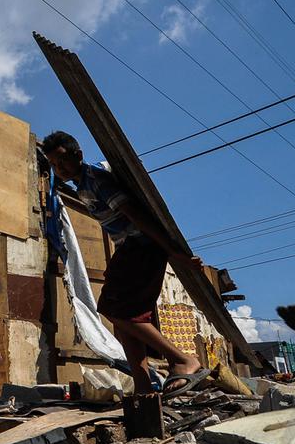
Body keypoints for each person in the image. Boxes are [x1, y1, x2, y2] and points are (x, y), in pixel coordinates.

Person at [42, 130, 208, 397]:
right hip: (129, 248)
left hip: (140, 245)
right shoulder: (81, 186)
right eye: (53, 164)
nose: (58, 168)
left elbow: (135, 214)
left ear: (78, 156)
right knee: (126, 319)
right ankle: (143, 387)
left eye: (62, 161)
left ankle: (181, 359)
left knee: (113, 309)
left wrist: (172, 252)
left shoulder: (96, 180)